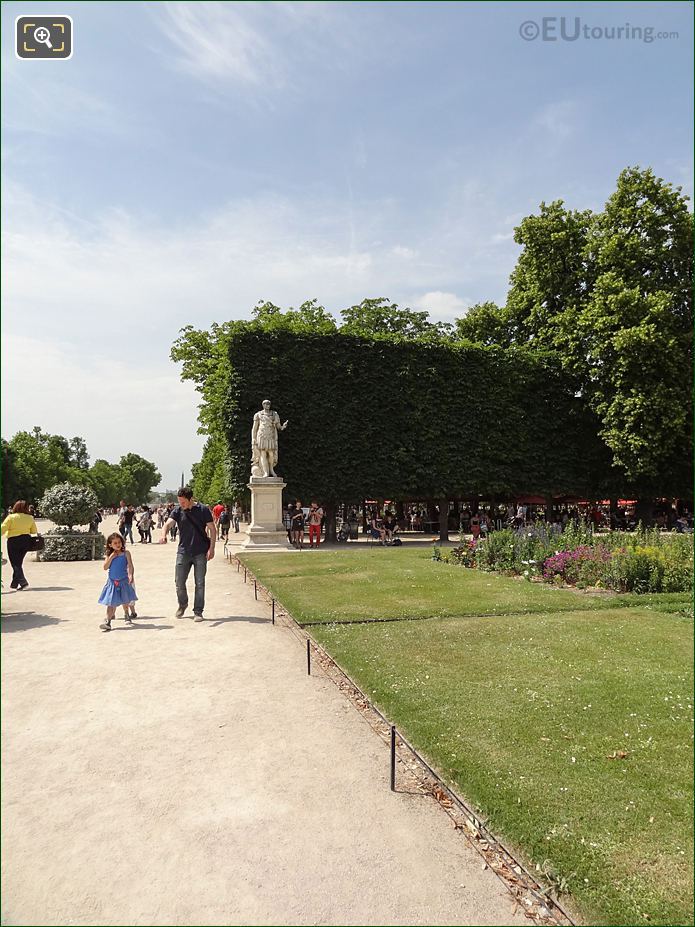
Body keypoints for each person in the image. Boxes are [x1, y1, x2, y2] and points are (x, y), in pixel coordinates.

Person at [160, 487, 215, 622]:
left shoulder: (202, 510)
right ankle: (183, 604)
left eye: (183, 502)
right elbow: (168, 523)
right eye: (179, 501)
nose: (181, 504)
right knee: (179, 582)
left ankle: (198, 611)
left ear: (191, 499)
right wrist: (163, 535)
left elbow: (212, 529)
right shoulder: (178, 510)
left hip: (200, 551)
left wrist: (212, 549)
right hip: (183, 551)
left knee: (200, 583)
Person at [98, 532, 137, 632]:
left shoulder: (126, 553)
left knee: (125, 600)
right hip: (112, 582)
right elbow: (105, 567)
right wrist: (111, 557)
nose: (118, 544)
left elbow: (130, 565)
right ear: (110, 545)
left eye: (119, 542)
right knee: (110, 603)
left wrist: (130, 574)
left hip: (123, 581)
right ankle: (108, 622)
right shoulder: (109, 554)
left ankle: (126, 614)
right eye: (115, 543)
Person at [1, 501, 39, 590]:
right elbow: (33, 531)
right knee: (18, 562)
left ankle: (23, 583)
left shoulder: (11, 517)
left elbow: (3, 529)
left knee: (15, 563)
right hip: (26, 541)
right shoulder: (30, 517)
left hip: (13, 541)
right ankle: (14, 584)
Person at [251, 399, 289, 478]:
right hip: (261, 436)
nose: (267, 406)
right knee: (263, 454)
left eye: (268, 404)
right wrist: (253, 439)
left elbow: (278, 427)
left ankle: (271, 469)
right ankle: (265, 472)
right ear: (263, 405)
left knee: (271, 454)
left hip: (270, 436)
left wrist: (283, 427)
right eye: (265, 404)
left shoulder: (274, 414)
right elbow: (254, 428)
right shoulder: (258, 414)